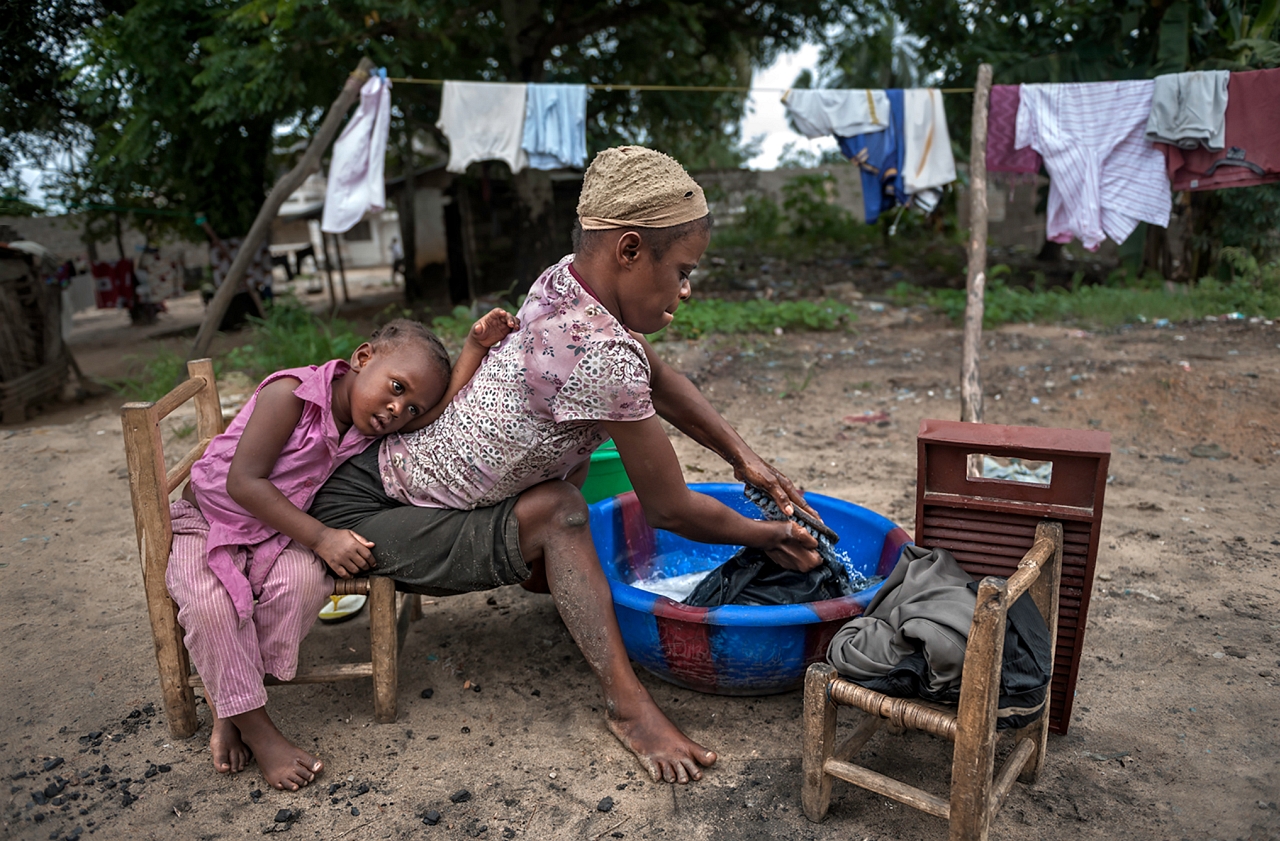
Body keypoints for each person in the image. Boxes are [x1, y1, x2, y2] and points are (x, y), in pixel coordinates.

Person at [309, 146, 822, 785]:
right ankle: (628, 707)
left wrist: (748, 461)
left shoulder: (566, 280)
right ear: (629, 251)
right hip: (370, 517)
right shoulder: (598, 357)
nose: (686, 290)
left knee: (564, 465)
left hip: (397, 476)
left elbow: (656, 375)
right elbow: (668, 508)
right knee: (562, 512)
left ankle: (538, 572)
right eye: (684, 270)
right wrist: (765, 533)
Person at [166, 311, 519, 792]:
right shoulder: (289, 396)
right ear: (362, 358)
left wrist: (474, 349)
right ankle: (258, 730)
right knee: (208, 607)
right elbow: (243, 482)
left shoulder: (367, 423)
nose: (399, 411)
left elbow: (435, 410)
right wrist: (321, 537)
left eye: (410, 408)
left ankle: (233, 705)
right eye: (396, 388)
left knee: (306, 583)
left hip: (271, 534)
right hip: (208, 523)